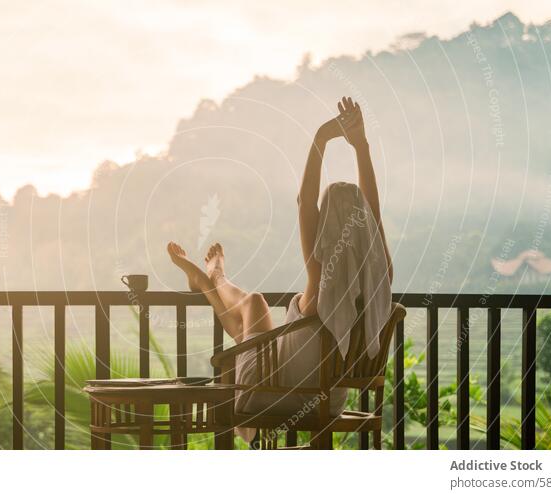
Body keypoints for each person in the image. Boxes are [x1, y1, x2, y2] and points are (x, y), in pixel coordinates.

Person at [166, 97, 393, 432]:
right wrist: (361, 146)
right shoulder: (381, 276)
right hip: (329, 400)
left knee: (254, 304)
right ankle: (208, 279)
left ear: (327, 230)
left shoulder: (322, 281)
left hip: (276, 394)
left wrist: (321, 137)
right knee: (249, 324)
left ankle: (214, 276)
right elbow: (372, 212)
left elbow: (305, 202)